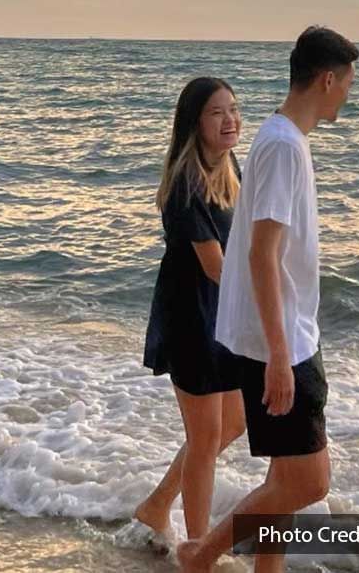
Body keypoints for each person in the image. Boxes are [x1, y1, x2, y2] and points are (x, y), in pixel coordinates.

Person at [178, 26, 359, 573]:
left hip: (285, 333)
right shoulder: (283, 146)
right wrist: (280, 356)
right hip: (277, 342)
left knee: (285, 480)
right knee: (307, 482)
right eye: (348, 83)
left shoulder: (282, 138)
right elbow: (262, 253)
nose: (348, 94)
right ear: (327, 79)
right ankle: (199, 554)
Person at [136, 77, 246, 545]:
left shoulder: (228, 165)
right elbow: (216, 267)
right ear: (194, 123)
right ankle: (199, 549)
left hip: (222, 315)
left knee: (234, 422)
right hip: (191, 318)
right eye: (217, 113)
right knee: (204, 441)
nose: (230, 120)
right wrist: (269, 297)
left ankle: (157, 504)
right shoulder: (186, 181)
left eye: (234, 110)